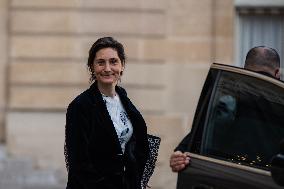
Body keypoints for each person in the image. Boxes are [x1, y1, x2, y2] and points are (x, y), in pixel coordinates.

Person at [169, 46, 281, 172]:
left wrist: (179, 154)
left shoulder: (230, 97)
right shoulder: (279, 101)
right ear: (277, 73)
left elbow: (203, 133)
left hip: (224, 176)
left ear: (245, 69)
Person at [64, 37, 150, 189]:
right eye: (101, 62)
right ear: (92, 67)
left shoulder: (124, 100)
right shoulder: (80, 106)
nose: (108, 68)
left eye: (113, 61)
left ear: (122, 65)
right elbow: (79, 163)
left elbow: (137, 147)